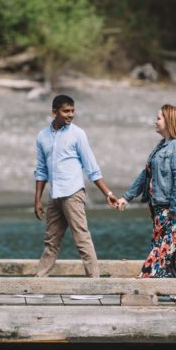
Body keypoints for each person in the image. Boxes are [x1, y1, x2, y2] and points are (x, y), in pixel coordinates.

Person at [116, 104, 176, 301]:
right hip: (160, 207)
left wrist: (175, 209)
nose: (155, 121)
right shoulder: (161, 146)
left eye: (159, 118)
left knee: (173, 249)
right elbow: (146, 175)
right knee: (170, 248)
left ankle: (146, 282)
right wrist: (126, 197)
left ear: (169, 121)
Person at [33, 94, 118, 278]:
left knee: (82, 240)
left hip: (73, 194)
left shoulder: (78, 134)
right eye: (66, 111)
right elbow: (41, 171)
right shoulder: (42, 137)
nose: (70, 115)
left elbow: (92, 168)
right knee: (51, 241)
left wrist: (108, 193)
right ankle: (38, 283)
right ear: (54, 112)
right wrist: (37, 199)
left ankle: (94, 285)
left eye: (72, 111)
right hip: (54, 196)